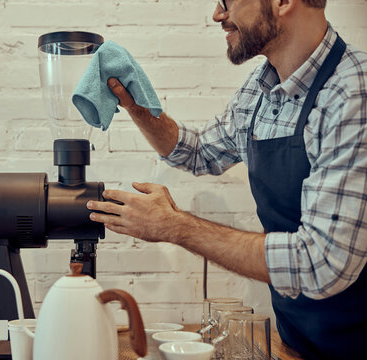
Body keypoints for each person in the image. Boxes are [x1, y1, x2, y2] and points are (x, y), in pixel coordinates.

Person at [86, 0, 367, 359]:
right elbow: (200, 151)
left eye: (227, 1)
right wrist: (135, 103)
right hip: (297, 343)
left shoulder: (352, 91)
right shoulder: (260, 88)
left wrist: (175, 227)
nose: (218, 14)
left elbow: (320, 263)